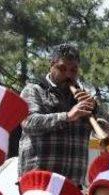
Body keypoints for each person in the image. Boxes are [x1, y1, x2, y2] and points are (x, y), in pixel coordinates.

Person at [18, 43, 96, 187]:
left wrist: (96, 111)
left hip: (72, 185)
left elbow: (107, 130)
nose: (68, 75)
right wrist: (67, 116)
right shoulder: (33, 90)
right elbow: (29, 122)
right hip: (38, 181)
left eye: (73, 70)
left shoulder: (83, 97)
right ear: (51, 65)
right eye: (62, 68)